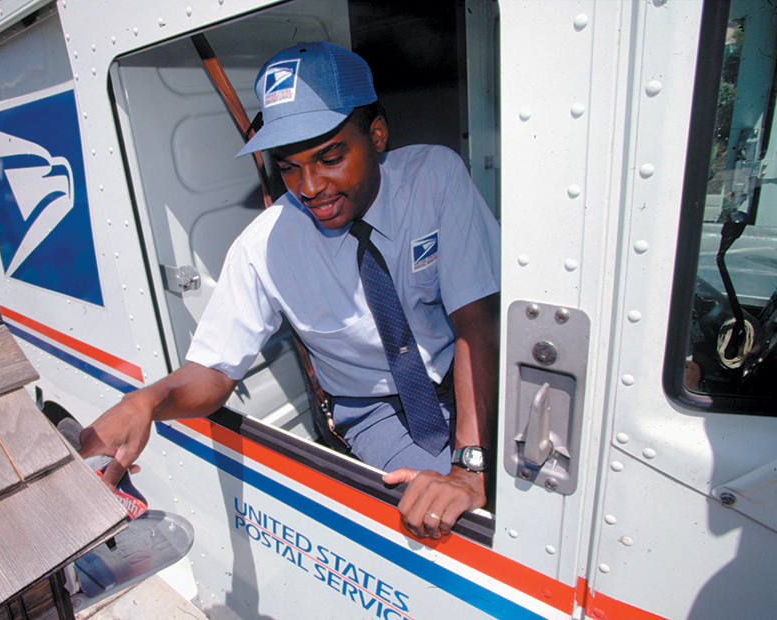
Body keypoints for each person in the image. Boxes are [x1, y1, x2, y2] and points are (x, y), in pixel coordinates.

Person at [80, 41, 500, 541]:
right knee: (461, 529)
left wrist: (469, 465)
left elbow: (476, 318)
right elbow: (214, 370)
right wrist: (149, 400)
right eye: (288, 166)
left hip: (465, 373)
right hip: (374, 411)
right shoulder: (265, 245)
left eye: (330, 157)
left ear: (379, 135)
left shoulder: (436, 177)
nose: (309, 187)